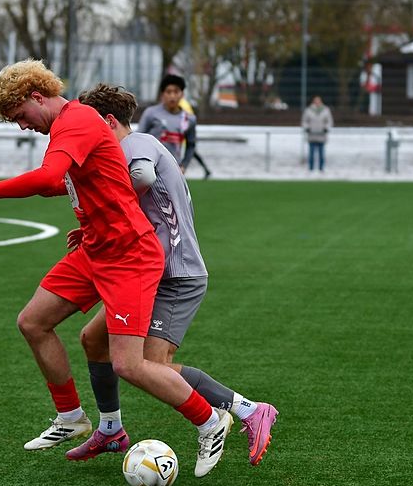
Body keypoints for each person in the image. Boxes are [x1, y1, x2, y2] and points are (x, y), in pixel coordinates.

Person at [0, 59, 232, 478]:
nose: (22, 126)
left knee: (129, 364)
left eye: (20, 115)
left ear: (36, 96)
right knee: (33, 322)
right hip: (96, 248)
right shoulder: (67, 126)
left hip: (129, 255)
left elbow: (48, 178)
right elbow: (65, 183)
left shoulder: (76, 120)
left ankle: (210, 421)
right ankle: (73, 417)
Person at [66, 83, 277, 465]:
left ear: (108, 121)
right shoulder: (128, 147)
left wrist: (104, 210)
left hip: (176, 274)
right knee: (93, 340)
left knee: (150, 365)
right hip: (147, 273)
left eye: (88, 123)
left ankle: (248, 410)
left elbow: (143, 176)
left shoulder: (136, 143)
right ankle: (111, 430)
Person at [138, 74, 210, 179]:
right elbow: (139, 139)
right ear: (162, 94)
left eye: (176, 92)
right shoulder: (151, 113)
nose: (172, 96)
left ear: (182, 94)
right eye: (168, 92)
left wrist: (184, 166)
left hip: (174, 170)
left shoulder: (189, 119)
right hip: (151, 169)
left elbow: (191, 145)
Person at [302, 96, 333, 172]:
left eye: (318, 101)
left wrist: (326, 128)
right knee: (311, 154)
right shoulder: (308, 110)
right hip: (312, 135)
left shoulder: (326, 110)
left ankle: (321, 168)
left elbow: (329, 121)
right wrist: (307, 128)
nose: (317, 102)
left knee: (321, 154)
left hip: (321, 135)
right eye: (316, 101)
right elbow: (304, 121)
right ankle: (311, 168)